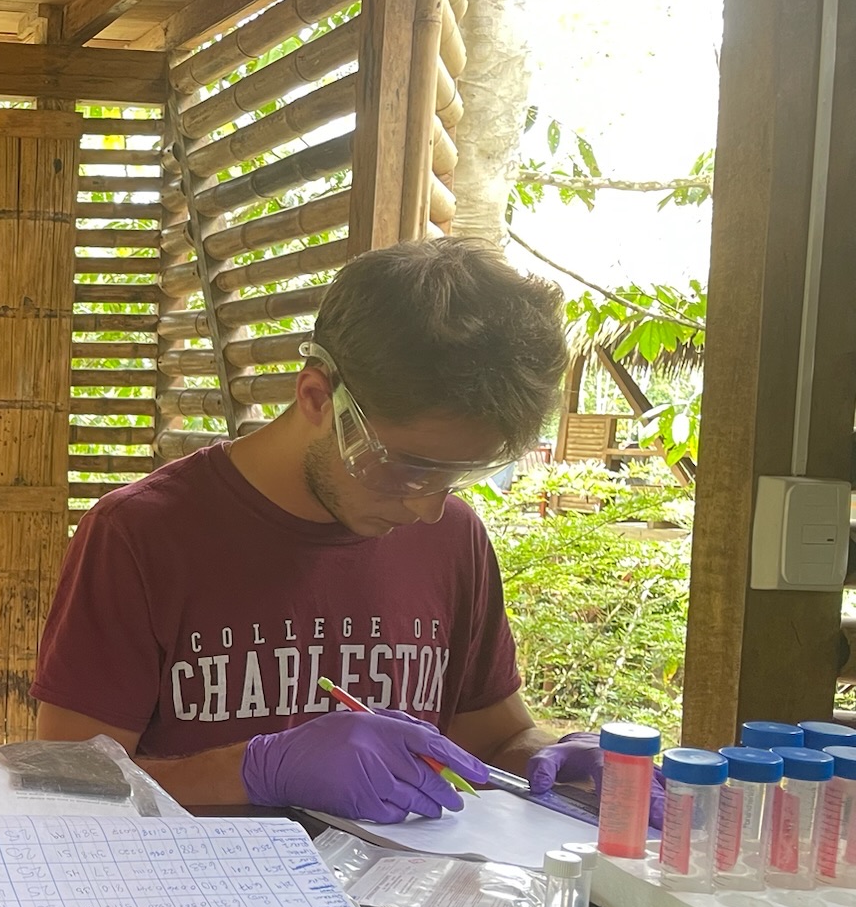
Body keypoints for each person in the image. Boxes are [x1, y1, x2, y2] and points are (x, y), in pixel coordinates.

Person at [33, 238, 599, 823]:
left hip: (404, 904)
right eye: (409, 469)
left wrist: (551, 759)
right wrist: (258, 770)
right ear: (316, 396)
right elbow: (67, 786)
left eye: (459, 476)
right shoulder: (140, 536)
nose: (427, 509)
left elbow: (493, 740)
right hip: (194, 904)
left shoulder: (453, 538)